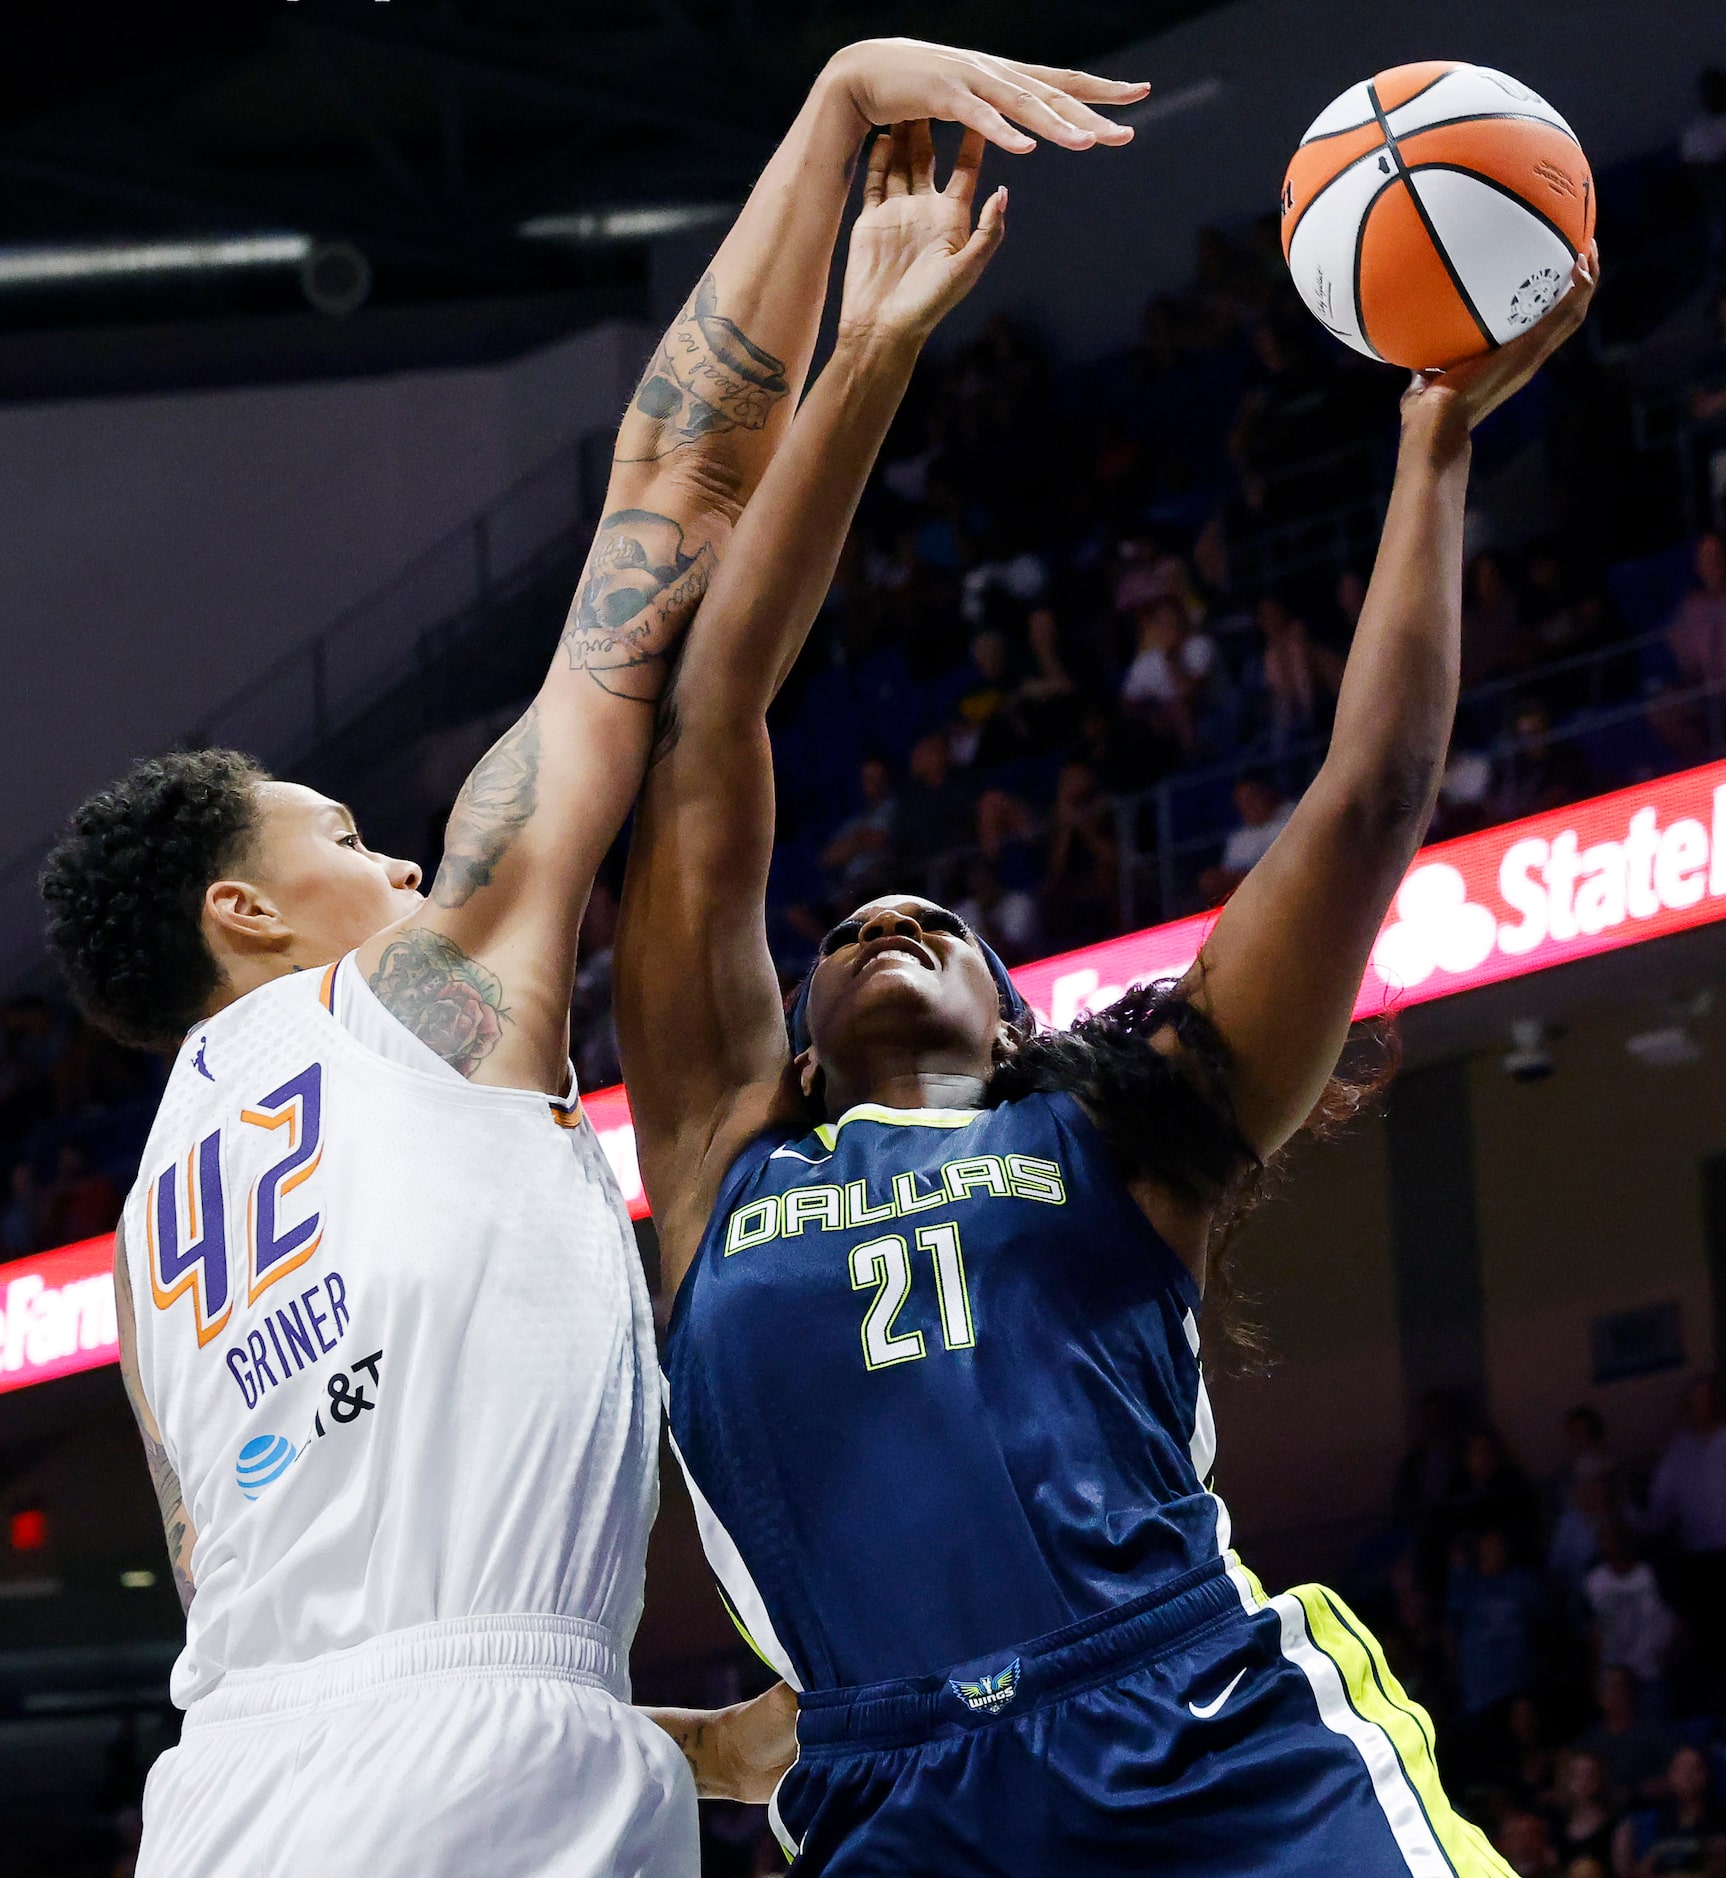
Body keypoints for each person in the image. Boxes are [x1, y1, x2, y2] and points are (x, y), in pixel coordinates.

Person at [35, 45, 1147, 1877]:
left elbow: (304, 1652)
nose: (394, 855)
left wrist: (685, 1746)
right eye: (337, 838)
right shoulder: (417, 992)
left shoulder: (160, 1238)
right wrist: (834, 111)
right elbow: (671, 477)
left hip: (225, 1804)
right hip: (466, 1793)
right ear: (242, 909)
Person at [613, 76, 1599, 1860]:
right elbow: (706, 732)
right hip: (892, 1784)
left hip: (1202, 1723)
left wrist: (1433, 445)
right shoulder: (711, 1169)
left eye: (938, 927)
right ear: (801, 1052)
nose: (878, 921)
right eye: (839, 935)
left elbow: (1368, 798)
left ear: (1017, 1021)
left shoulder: (1126, 1141)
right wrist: (875, 349)